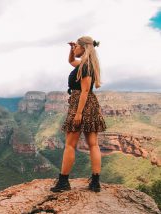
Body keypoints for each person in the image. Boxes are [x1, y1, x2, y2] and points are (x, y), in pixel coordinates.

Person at [50, 36, 107, 193]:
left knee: (70, 144)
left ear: (83, 48)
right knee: (93, 144)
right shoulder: (85, 64)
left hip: (81, 105)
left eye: (76, 46)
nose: (74, 48)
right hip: (89, 105)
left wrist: (78, 113)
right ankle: (95, 183)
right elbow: (70, 61)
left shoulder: (85, 67)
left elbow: (85, 91)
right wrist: (71, 50)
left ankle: (63, 182)